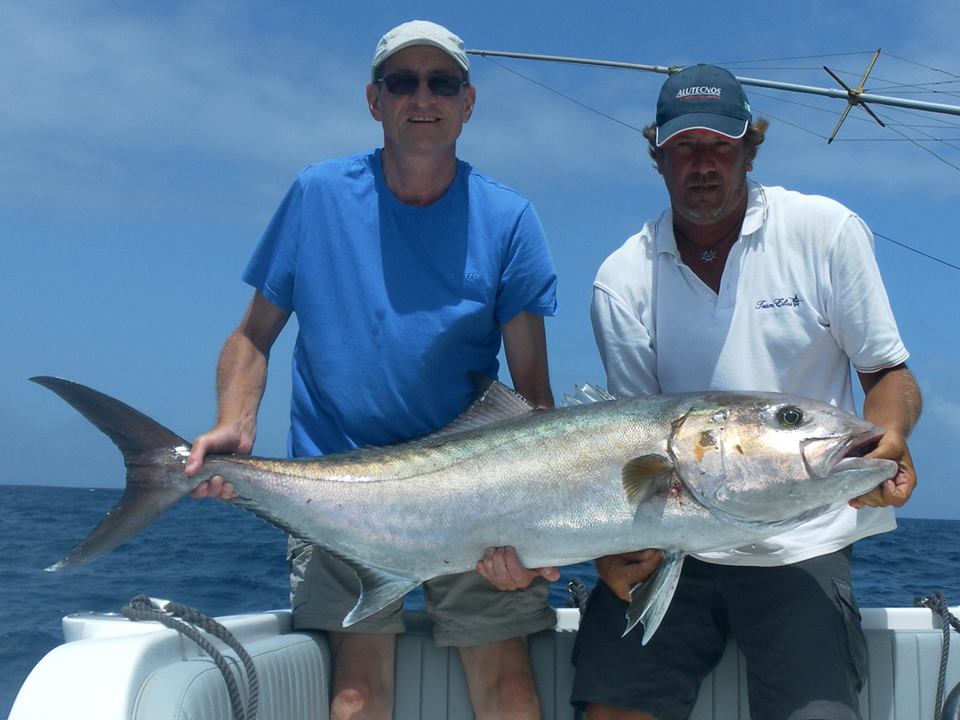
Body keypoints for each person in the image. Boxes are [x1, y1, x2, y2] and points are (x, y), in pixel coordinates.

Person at [184, 20, 561, 720]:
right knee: (356, 694)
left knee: (508, 685)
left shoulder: (510, 220)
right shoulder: (317, 195)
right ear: (374, 99)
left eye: (441, 82)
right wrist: (235, 427)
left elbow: (532, 395)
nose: (423, 96)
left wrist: (533, 531)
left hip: (477, 489)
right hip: (340, 485)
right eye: (402, 81)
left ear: (468, 102)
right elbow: (252, 338)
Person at [569, 64, 923, 720]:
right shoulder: (622, 278)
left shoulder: (825, 233)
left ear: (748, 149)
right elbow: (631, 452)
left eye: (720, 148)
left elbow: (889, 377)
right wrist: (607, 548)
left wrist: (891, 436)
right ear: (658, 155)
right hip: (678, 545)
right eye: (684, 149)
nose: (703, 165)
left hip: (803, 543)